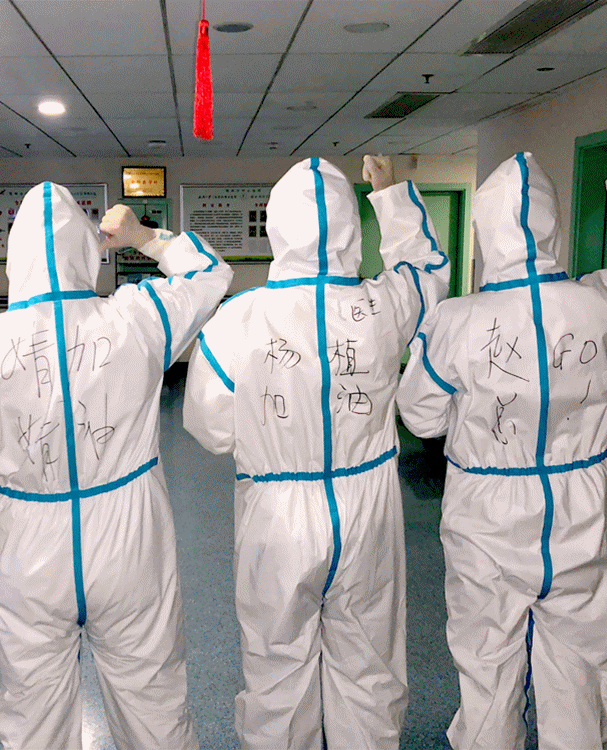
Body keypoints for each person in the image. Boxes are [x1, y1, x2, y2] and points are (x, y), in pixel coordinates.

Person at [396, 152, 607, 750]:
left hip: (485, 511)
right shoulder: (605, 301)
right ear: (553, 225)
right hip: (582, 506)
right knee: (582, 669)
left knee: (487, 663)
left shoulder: (455, 320)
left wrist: (470, 418)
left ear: (486, 229)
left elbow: (420, 414)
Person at [0, 182, 232, 750]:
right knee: (152, 694)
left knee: (33, 707)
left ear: (14, 260)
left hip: (27, 543)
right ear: (87, 251)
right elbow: (210, 274)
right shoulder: (138, 316)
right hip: (129, 533)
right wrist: (144, 237)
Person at [183, 156, 450, 749]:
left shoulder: (238, 319)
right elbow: (428, 271)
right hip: (368, 508)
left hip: (276, 510)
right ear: (353, 229)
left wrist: (268, 435)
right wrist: (391, 194)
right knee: (370, 664)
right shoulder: (384, 304)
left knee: (277, 665)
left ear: (277, 228)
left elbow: (209, 426)